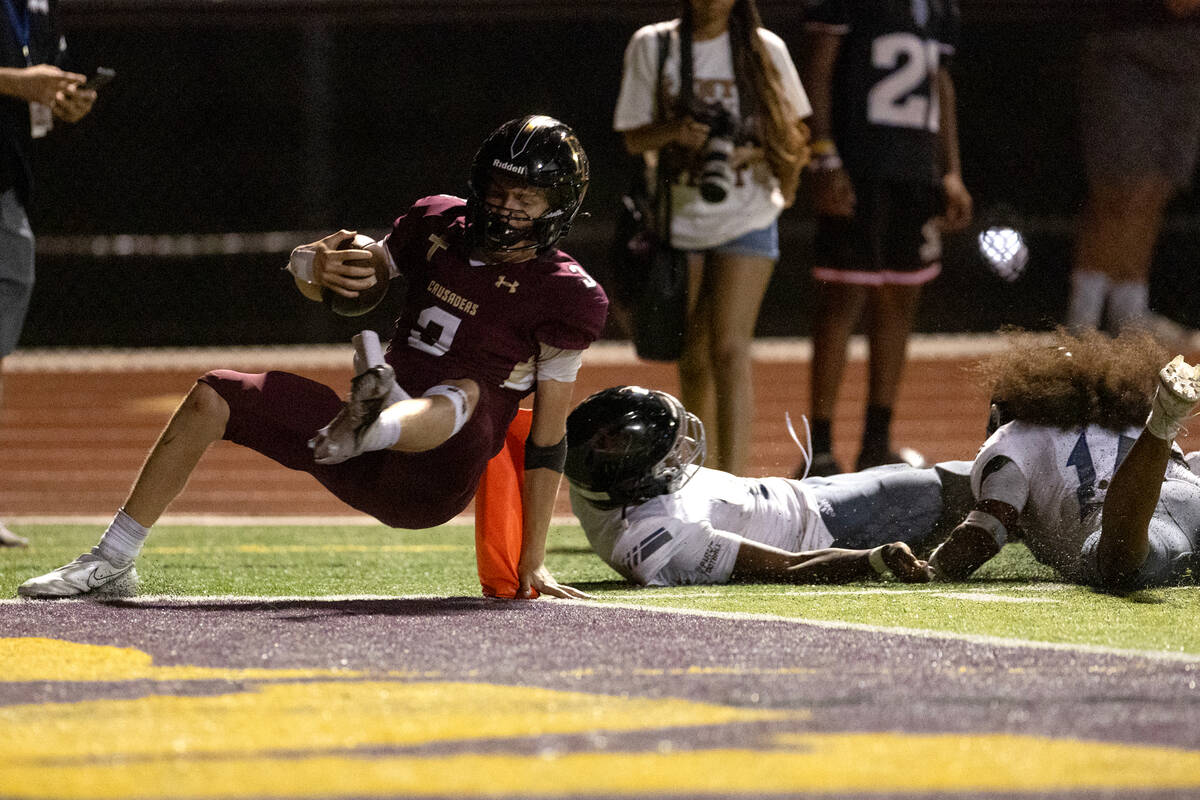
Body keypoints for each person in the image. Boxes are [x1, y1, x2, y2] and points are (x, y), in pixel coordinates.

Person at [18, 115, 608, 600]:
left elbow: (547, 439)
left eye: (524, 198)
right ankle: (112, 560)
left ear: (557, 205)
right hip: (344, 447)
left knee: (468, 394)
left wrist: (534, 560)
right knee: (214, 393)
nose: (505, 207)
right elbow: (344, 279)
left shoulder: (567, 294)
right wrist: (310, 263)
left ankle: (375, 423)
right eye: (498, 191)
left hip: (434, 473)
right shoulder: (440, 223)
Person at [613, 0, 811, 476]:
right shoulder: (654, 44)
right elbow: (632, 138)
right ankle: (700, 473)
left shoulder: (765, 49)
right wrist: (678, 132)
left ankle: (737, 484)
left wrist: (750, 152)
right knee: (693, 354)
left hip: (750, 212)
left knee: (729, 348)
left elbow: (797, 130)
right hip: (678, 219)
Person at [797, 0, 973, 476]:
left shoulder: (938, 7)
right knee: (841, 299)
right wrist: (824, 154)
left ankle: (878, 441)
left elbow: (940, 82)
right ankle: (822, 449)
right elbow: (819, 66)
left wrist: (950, 170)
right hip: (859, 163)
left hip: (913, 171)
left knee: (900, 300)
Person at [564, 385, 976, 586]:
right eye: (667, 455)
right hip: (825, 525)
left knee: (971, 483)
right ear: (636, 482)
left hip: (810, 497)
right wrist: (874, 558)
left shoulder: (590, 482)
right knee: (975, 485)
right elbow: (787, 567)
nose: (680, 454)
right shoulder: (657, 537)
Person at [929, 329, 1200, 589]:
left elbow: (983, 536)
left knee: (1117, 563)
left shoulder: (1014, 439)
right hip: (1188, 492)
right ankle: (1162, 424)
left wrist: (934, 567)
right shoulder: (1124, 414)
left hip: (1131, 523)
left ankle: (1163, 424)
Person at [0, 0, 98, 548]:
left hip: (8, 183)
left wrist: (64, 99)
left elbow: (45, 82)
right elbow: (21, 80)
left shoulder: (34, 4)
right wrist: (18, 82)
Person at [1064, 0, 1200, 340]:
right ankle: (1083, 320)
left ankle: (1130, 315)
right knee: (1119, 188)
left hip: (1188, 48)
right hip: (1125, 43)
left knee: (1156, 187)